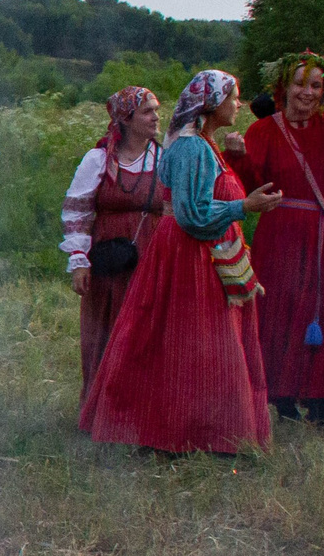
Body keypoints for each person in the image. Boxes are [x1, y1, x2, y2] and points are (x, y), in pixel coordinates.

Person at [82, 72, 284, 454]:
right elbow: (193, 214)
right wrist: (246, 206)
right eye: (233, 97)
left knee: (192, 343)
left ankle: (196, 432)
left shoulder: (203, 144)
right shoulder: (192, 148)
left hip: (194, 253)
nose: (238, 104)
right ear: (212, 104)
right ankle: (192, 434)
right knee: (196, 343)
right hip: (189, 255)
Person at [239, 53, 324, 428]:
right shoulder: (263, 131)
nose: (307, 93)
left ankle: (320, 402)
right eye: (300, 84)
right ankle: (283, 400)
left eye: (316, 86)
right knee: (280, 311)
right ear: (283, 87)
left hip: (321, 231)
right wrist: (238, 157)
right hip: (280, 232)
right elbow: (252, 186)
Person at [58, 87, 169, 398]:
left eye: (156, 110)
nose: (156, 117)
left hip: (151, 256)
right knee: (105, 331)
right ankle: (103, 408)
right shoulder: (99, 159)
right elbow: (77, 210)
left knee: (146, 332)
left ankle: (142, 413)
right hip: (110, 259)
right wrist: (79, 259)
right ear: (127, 118)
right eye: (148, 111)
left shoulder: (165, 157)